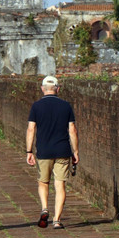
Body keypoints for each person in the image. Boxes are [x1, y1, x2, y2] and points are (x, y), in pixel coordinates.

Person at [26, 75, 79, 229]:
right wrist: (75, 151)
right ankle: (56, 220)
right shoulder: (66, 106)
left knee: (43, 182)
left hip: (44, 150)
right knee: (60, 184)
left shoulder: (36, 106)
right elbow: (72, 130)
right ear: (58, 89)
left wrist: (29, 150)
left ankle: (44, 208)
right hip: (62, 150)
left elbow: (31, 129)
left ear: (42, 89)